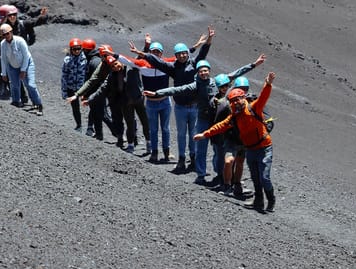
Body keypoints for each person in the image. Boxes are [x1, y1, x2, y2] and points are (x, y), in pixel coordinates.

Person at [144, 54, 265, 184]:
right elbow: (177, 89)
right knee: (200, 149)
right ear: (198, 72)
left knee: (219, 149)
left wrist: (254, 64)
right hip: (202, 120)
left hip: (216, 120)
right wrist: (157, 93)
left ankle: (220, 175)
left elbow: (237, 73)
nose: (203, 73)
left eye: (205, 70)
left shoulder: (217, 81)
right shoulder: (195, 86)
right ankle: (201, 174)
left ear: (209, 71)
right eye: (201, 71)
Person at [133, 25, 214, 173]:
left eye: (184, 53)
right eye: (179, 54)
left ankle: (193, 159)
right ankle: (182, 159)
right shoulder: (172, 67)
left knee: (193, 134)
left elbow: (203, 54)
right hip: (180, 107)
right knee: (182, 134)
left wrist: (209, 40)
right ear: (175, 55)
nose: (182, 56)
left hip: (194, 106)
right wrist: (142, 53)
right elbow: (157, 61)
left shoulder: (194, 64)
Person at [194, 72, 277, 213]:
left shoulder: (253, 107)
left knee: (264, 177)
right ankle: (258, 202)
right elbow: (220, 126)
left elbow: (264, 96)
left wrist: (268, 84)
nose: (235, 103)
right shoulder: (234, 117)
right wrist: (204, 134)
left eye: (238, 99)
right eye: (232, 101)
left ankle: (271, 199)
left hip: (264, 147)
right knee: (256, 178)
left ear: (243, 98)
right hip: (250, 149)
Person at [0, 5, 48, 98]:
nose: (12, 17)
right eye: (10, 15)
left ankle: (32, 100)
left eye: (14, 15)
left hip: (21, 55)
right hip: (8, 55)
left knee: (25, 77)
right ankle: (17, 95)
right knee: (8, 73)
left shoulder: (22, 24)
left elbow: (35, 22)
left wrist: (42, 16)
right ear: (6, 16)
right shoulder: (2, 27)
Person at [87, 55, 144, 153]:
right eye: (112, 66)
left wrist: (146, 47)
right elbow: (102, 89)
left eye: (116, 64)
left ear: (120, 62)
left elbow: (137, 59)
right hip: (116, 101)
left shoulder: (129, 69)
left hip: (128, 101)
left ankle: (133, 139)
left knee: (131, 121)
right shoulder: (111, 75)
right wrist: (90, 99)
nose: (115, 67)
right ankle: (120, 139)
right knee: (117, 120)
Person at [216, 76, 254, 198]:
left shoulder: (250, 102)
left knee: (240, 162)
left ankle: (236, 184)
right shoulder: (226, 103)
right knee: (229, 161)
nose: (243, 90)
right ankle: (227, 185)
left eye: (245, 89)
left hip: (244, 139)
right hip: (230, 138)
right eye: (241, 88)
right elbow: (218, 121)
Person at [0, 23, 45, 115]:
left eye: (7, 33)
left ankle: (37, 104)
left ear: (11, 32)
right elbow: (3, 58)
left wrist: (23, 70)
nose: (6, 36)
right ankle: (16, 102)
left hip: (26, 64)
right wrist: (3, 73)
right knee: (14, 85)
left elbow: (26, 56)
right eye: (4, 35)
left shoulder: (20, 41)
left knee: (30, 85)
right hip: (12, 66)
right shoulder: (3, 44)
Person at [61, 38, 87, 132]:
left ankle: (91, 128)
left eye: (78, 48)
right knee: (75, 108)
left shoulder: (85, 59)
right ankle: (79, 125)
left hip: (83, 87)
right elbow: (64, 76)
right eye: (74, 49)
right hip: (71, 88)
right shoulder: (67, 60)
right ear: (70, 49)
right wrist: (64, 91)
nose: (76, 51)